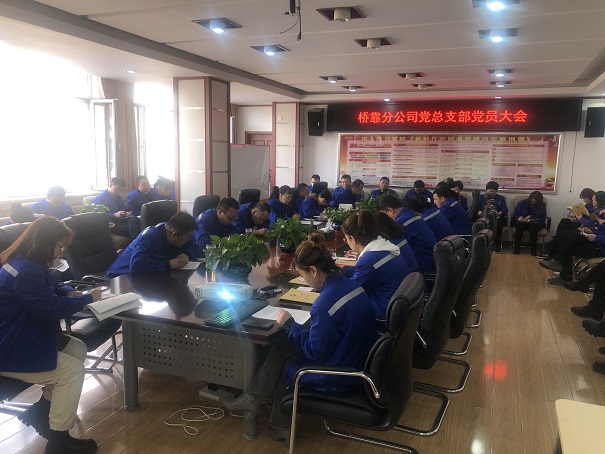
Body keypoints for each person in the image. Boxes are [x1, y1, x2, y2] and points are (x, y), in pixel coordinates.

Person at [220, 232, 378, 440]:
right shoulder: (350, 285)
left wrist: (290, 324)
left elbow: (315, 351)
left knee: (287, 363)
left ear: (313, 270)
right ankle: (255, 401)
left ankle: (276, 423)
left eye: (303, 276)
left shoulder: (324, 303)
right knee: (282, 344)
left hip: (341, 374)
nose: (305, 281)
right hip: (357, 358)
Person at [0, 216, 101, 454]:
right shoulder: (25, 271)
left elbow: (53, 285)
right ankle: (58, 443)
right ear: (45, 242)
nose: (61, 251)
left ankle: (40, 412)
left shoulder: (26, 262)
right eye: (60, 246)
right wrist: (87, 299)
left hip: (22, 335)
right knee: (72, 372)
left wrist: (70, 291)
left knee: (77, 349)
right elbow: (49, 308)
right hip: (10, 348)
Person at [340, 210, 411, 317]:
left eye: (346, 239)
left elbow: (349, 293)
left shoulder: (369, 261)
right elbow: (362, 272)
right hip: (396, 308)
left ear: (352, 238)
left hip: (381, 314)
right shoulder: (384, 248)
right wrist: (342, 270)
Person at [107, 211, 199, 277]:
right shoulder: (149, 237)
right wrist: (168, 264)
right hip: (121, 277)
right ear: (174, 235)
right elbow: (137, 265)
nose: (188, 240)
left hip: (146, 277)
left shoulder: (177, 232)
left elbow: (195, 247)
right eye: (187, 238)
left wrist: (187, 254)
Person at [380, 195, 437, 274]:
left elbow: (390, 245)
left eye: (384, 214)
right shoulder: (411, 214)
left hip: (423, 266)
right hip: (432, 259)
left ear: (390, 210)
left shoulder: (400, 223)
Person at [512, 191, 547, 255]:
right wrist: (519, 217)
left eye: (535, 202)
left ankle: (533, 248)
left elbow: (542, 217)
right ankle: (517, 247)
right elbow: (515, 214)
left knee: (533, 227)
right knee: (519, 226)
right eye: (532, 201)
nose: (533, 203)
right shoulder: (522, 203)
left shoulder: (542, 205)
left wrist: (531, 217)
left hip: (535, 223)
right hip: (523, 222)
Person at [477, 181, 508, 251]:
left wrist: (498, 213)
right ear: (486, 190)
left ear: (496, 191)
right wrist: (479, 212)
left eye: (493, 192)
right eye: (490, 191)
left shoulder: (500, 198)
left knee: (498, 225)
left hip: (496, 218)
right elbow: (476, 209)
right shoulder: (480, 198)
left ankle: (496, 244)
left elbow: (505, 210)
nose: (491, 193)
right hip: (483, 217)